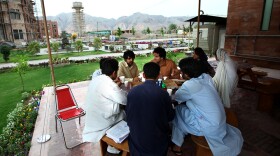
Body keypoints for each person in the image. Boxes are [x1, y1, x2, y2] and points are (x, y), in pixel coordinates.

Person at [171, 57, 243, 156]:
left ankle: (177, 144)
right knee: (184, 112)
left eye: (181, 71)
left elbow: (175, 98)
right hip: (219, 122)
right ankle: (177, 146)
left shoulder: (190, 85)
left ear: (186, 74)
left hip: (208, 126)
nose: (180, 73)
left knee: (177, 111)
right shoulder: (206, 77)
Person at [126, 62, 175, 155]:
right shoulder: (163, 93)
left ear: (143, 75)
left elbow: (128, 115)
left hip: (137, 142)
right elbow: (171, 117)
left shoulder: (132, 91)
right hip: (157, 144)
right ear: (158, 76)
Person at [83, 59, 127, 154]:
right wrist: (118, 86)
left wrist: (116, 86)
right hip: (102, 123)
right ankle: (116, 146)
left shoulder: (96, 80)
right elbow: (124, 100)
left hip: (92, 118)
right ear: (114, 72)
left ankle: (112, 147)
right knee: (127, 114)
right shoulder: (110, 84)